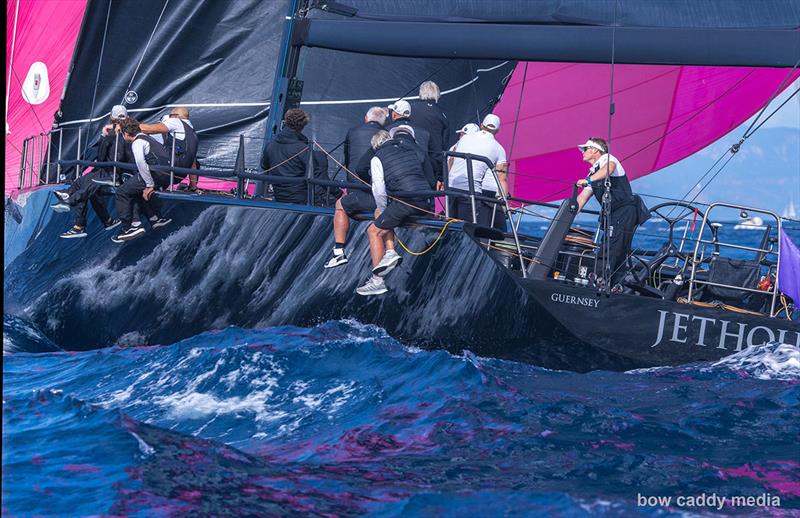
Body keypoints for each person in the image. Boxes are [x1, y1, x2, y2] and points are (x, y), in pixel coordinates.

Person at [356, 125, 435, 296]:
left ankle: (377, 281)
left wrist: (385, 210)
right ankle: (390, 252)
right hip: (425, 200)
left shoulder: (377, 158)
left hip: (406, 201)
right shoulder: (409, 151)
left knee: (374, 231)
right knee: (381, 214)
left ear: (376, 146)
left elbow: (378, 189)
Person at [51, 105, 131, 238]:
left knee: (87, 187)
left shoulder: (111, 136)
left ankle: (71, 206)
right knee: (81, 182)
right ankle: (106, 220)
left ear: (111, 117)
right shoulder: (124, 132)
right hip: (108, 171)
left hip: (114, 174)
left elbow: (101, 156)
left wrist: (103, 136)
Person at [575, 137, 638, 289]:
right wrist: (568, 213)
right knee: (606, 245)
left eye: (585, 149)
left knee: (614, 247)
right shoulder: (594, 173)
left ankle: (611, 283)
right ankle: (601, 279)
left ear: (595, 150)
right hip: (611, 214)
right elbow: (583, 197)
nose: (583, 152)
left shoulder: (607, 159)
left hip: (625, 210)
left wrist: (588, 180)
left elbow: (609, 168)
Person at [324, 130, 391, 269]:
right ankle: (391, 251)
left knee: (340, 204)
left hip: (379, 198)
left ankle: (339, 251)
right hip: (403, 199)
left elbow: (360, 169)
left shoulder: (376, 151)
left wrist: (368, 185)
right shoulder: (406, 151)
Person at [112, 118, 173, 242]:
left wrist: (149, 185)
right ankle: (155, 218)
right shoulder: (148, 138)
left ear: (126, 134)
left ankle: (131, 227)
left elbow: (141, 163)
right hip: (166, 174)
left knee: (121, 192)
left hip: (156, 175)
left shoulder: (137, 142)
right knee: (134, 189)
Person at [447, 114, 507, 226]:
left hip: (451, 188)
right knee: (467, 228)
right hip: (471, 192)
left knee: (449, 223)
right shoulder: (499, 148)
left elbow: (451, 160)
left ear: (481, 125)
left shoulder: (464, 138)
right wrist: (504, 205)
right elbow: (502, 178)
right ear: (497, 131)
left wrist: (445, 182)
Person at [262, 108, 331, 205]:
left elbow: (264, 167)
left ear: (286, 121)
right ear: (303, 125)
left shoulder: (270, 145)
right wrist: (338, 193)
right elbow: (319, 177)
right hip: (302, 200)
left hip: (279, 197)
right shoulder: (303, 149)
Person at [139, 106, 200, 191]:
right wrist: (193, 187)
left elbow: (148, 129)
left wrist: (127, 125)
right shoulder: (193, 132)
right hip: (180, 175)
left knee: (143, 141)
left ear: (175, 116)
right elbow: (193, 164)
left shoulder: (176, 121)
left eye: (170, 116)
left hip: (167, 170)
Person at [409, 81, 450, 183]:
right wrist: (441, 177)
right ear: (437, 94)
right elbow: (442, 147)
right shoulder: (441, 115)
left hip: (409, 161)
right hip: (430, 167)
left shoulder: (410, 109)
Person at [384, 100, 435, 170]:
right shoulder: (425, 133)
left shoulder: (386, 131)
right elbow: (434, 157)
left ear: (394, 114)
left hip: (395, 173)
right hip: (421, 174)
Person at [343, 106, 387, 172]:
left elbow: (347, 155)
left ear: (366, 118)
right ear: (384, 122)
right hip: (374, 179)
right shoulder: (386, 134)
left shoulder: (352, 131)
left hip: (352, 177)